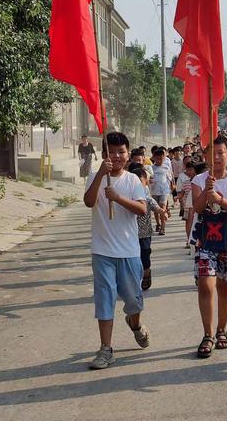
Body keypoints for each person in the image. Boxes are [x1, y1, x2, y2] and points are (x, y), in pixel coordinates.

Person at [83, 132, 150, 369]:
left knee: (134, 301)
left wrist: (118, 197)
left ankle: (135, 325)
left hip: (129, 252)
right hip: (102, 251)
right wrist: (101, 174)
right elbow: (89, 201)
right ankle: (105, 349)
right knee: (104, 299)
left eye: (121, 151)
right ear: (104, 155)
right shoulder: (95, 176)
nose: (117, 156)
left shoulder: (132, 180)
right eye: (111, 152)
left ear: (128, 153)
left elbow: (142, 210)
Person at [190, 135, 227, 358]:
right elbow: (198, 207)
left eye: (221, 153)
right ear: (206, 156)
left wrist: (220, 199)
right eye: (212, 154)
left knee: (225, 287)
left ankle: (222, 330)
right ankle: (208, 334)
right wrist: (206, 191)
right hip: (205, 242)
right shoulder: (199, 180)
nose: (217, 158)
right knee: (205, 285)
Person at [131, 166, 167, 291]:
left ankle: (146, 272)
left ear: (146, 182)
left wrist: (162, 212)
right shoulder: (128, 199)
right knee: (133, 257)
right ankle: (134, 278)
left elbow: (154, 205)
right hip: (130, 234)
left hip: (145, 233)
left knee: (145, 253)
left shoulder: (146, 197)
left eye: (141, 182)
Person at [150, 148, 174, 235]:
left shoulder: (167, 167)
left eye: (161, 158)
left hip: (164, 191)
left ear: (164, 158)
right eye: (157, 159)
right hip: (154, 191)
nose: (159, 160)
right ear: (154, 158)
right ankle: (158, 224)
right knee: (156, 209)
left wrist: (172, 185)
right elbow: (148, 179)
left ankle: (163, 227)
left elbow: (170, 177)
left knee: (163, 207)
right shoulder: (151, 168)